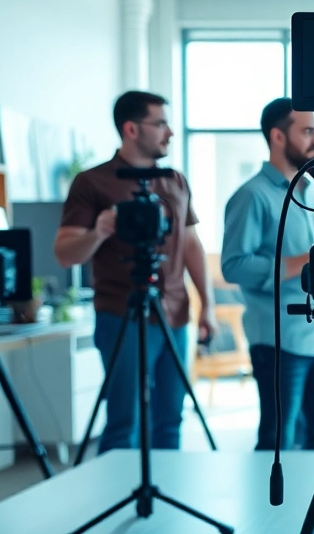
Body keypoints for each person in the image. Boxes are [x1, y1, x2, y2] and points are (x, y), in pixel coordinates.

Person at [56, 90, 216, 453]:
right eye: (160, 124)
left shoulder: (174, 180)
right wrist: (100, 230)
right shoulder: (92, 182)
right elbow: (65, 254)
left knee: (170, 419)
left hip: (175, 314)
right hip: (121, 315)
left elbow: (191, 244)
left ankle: (165, 499)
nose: (170, 133)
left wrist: (206, 304)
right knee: (124, 420)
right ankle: (119, 503)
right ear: (131, 128)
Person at [220, 97, 314, 451]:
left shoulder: (311, 193)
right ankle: (272, 507)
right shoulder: (251, 196)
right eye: (307, 131)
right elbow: (233, 265)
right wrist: (300, 262)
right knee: (278, 441)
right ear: (278, 137)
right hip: (277, 339)